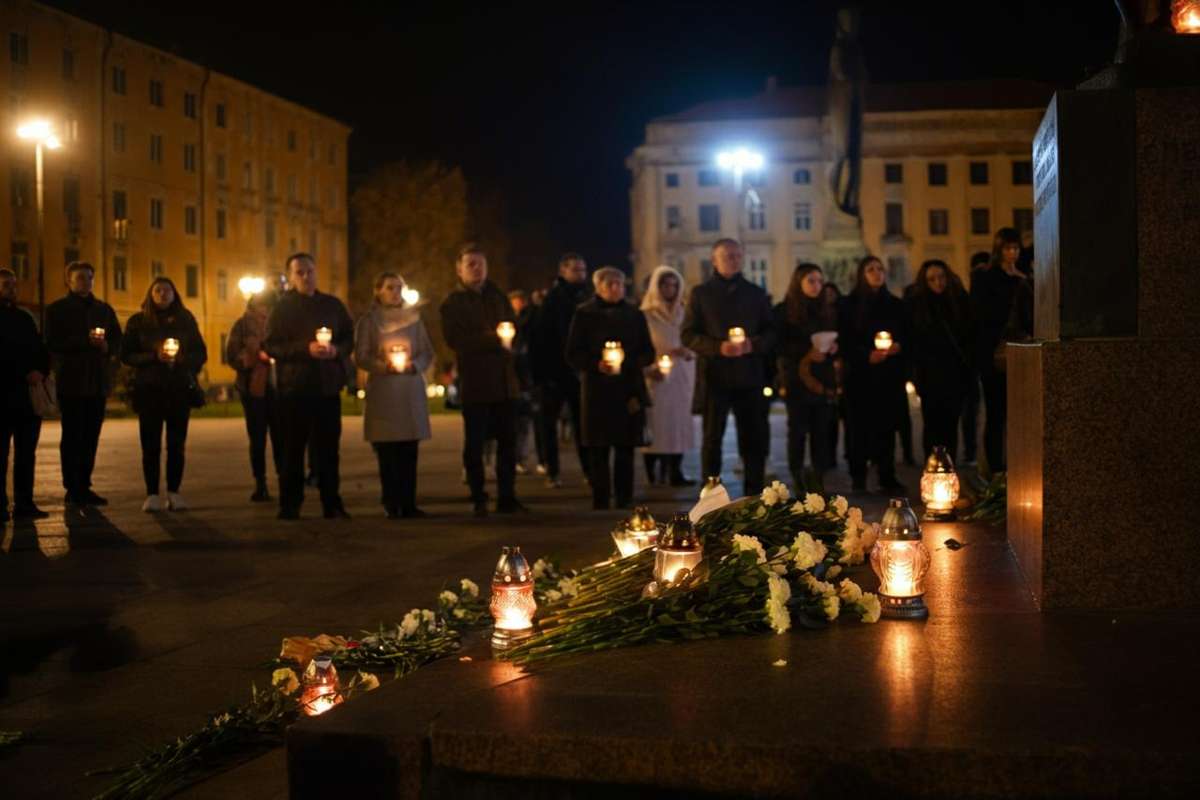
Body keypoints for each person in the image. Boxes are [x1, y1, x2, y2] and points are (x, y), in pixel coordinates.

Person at [681, 239, 775, 496]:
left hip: (750, 377)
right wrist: (717, 347)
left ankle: (754, 494)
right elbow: (688, 335)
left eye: (736, 255)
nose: (733, 260)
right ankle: (710, 494)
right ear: (714, 260)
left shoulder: (756, 293)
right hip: (715, 377)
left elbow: (771, 332)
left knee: (753, 439)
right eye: (727, 256)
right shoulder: (701, 294)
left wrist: (752, 345)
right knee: (712, 439)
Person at [440, 243, 528, 517]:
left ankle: (507, 496)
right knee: (475, 444)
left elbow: (514, 328)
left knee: (507, 442)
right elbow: (456, 340)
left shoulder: (498, 296)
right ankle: (478, 495)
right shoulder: (453, 303)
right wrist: (493, 339)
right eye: (471, 264)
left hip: (504, 381)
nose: (477, 269)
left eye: (481, 264)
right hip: (476, 381)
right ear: (460, 269)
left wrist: (512, 342)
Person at [265, 253, 354, 520]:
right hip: (295, 389)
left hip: (327, 389)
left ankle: (332, 502)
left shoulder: (332, 305)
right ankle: (290, 504)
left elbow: (349, 338)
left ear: (317, 273)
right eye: (300, 272)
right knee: (293, 449)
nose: (306, 276)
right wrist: (305, 349)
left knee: (329, 450)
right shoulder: (282, 308)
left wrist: (336, 350)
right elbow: (271, 345)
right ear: (291, 277)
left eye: (310, 271)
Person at [566, 267, 654, 509]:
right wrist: (596, 364)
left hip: (628, 389)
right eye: (610, 284)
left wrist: (628, 362)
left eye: (619, 284)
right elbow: (572, 353)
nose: (616, 288)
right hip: (597, 390)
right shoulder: (585, 314)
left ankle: (625, 497)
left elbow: (648, 352)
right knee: (598, 448)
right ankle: (601, 497)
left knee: (625, 447)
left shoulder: (634, 314)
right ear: (599, 287)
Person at [120, 277, 207, 511]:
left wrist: (182, 361)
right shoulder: (138, 322)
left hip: (179, 390)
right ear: (150, 294)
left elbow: (200, 353)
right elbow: (126, 354)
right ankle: (152, 494)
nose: (163, 294)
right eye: (158, 290)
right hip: (149, 391)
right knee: (150, 445)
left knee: (176, 445)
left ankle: (174, 492)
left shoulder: (185, 320)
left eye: (167, 290)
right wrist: (153, 358)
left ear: (174, 294)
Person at [354, 272, 433, 519]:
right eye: (390, 287)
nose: (395, 292)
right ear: (378, 290)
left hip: (409, 390)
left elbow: (426, 352)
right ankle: (391, 502)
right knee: (388, 451)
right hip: (384, 392)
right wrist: (384, 366)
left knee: (409, 450)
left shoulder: (414, 319)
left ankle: (408, 503)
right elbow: (361, 355)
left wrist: (414, 366)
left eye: (399, 287)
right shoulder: (369, 322)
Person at [44, 261, 121, 507]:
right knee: (72, 435)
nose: (85, 282)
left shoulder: (104, 310)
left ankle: (85, 485)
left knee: (91, 435)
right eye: (80, 278)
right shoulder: (57, 309)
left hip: (97, 382)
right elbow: (53, 342)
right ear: (68, 280)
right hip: (72, 381)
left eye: (89, 277)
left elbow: (118, 340)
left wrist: (108, 347)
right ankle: (72, 486)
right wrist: (84, 342)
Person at [838, 255, 907, 493]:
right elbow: (844, 340)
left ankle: (886, 475)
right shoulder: (848, 305)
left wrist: (898, 346)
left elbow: (907, 336)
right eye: (871, 269)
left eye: (880, 268)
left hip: (888, 377)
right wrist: (866, 355)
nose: (877, 273)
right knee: (858, 428)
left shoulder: (896, 305)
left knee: (886, 428)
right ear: (861, 274)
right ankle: (858, 476)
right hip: (859, 377)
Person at [971, 228, 1032, 473]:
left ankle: (1015, 464)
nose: (1012, 253)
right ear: (998, 249)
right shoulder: (986, 276)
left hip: (1020, 350)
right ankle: (995, 468)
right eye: (1007, 248)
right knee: (996, 413)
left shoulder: (1023, 277)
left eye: (1016, 248)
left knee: (1017, 412)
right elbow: (980, 315)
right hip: (993, 353)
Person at [774, 264, 839, 493]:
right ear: (798, 282)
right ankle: (798, 477)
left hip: (822, 379)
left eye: (820, 281)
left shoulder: (827, 310)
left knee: (821, 431)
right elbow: (779, 344)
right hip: (796, 380)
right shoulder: (784, 311)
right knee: (798, 431)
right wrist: (806, 351)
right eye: (811, 280)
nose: (816, 286)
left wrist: (832, 349)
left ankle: (818, 478)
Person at [531, 253, 592, 488]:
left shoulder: (587, 297)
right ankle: (552, 470)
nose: (580, 274)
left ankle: (589, 470)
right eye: (575, 270)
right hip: (554, 373)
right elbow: (541, 339)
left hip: (580, 372)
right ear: (563, 271)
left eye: (583, 270)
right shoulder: (553, 300)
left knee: (583, 425)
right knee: (549, 425)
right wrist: (543, 375)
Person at [905, 260, 974, 462]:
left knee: (951, 422)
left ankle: (948, 464)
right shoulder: (917, 306)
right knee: (931, 422)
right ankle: (932, 466)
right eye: (932, 279)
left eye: (942, 277)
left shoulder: (960, 301)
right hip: (929, 375)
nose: (938, 282)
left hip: (955, 373)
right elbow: (913, 342)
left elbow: (969, 335)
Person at [0, 268, 50, 521]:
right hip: (4, 396)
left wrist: (41, 371)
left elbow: (40, 348)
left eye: (14, 284)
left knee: (26, 453)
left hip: (27, 398)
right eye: (6, 284)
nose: (12, 288)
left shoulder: (24, 317)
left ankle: (24, 503)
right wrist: (24, 372)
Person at [639, 266, 695, 486]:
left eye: (673, 284)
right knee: (656, 424)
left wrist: (688, 351)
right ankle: (652, 470)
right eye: (664, 284)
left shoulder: (685, 313)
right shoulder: (646, 315)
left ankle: (675, 470)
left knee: (679, 424)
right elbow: (640, 345)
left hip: (681, 375)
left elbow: (693, 340)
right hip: (657, 376)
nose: (669, 289)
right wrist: (649, 366)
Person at [227, 291, 281, 502]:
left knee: (281, 437)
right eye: (261, 305)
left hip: (280, 387)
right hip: (253, 388)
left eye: (268, 306)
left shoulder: (280, 324)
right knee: (257, 438)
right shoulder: (241, 325)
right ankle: (260, 483)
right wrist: (253, 357)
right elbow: (231, 355)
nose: (265, 310)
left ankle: (284, 479)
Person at [960, 251, 991, 465]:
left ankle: (983, 455)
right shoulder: (965, 299)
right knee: (970, 408)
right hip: (969, 362)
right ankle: (971, 452)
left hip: (987, 357)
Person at [508, 289, 536, 475]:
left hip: (525, 378)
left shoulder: (530, 321)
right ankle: (514, 458)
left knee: (523, 424)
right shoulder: (507, 324)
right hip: (511, 378)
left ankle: (521, 457)